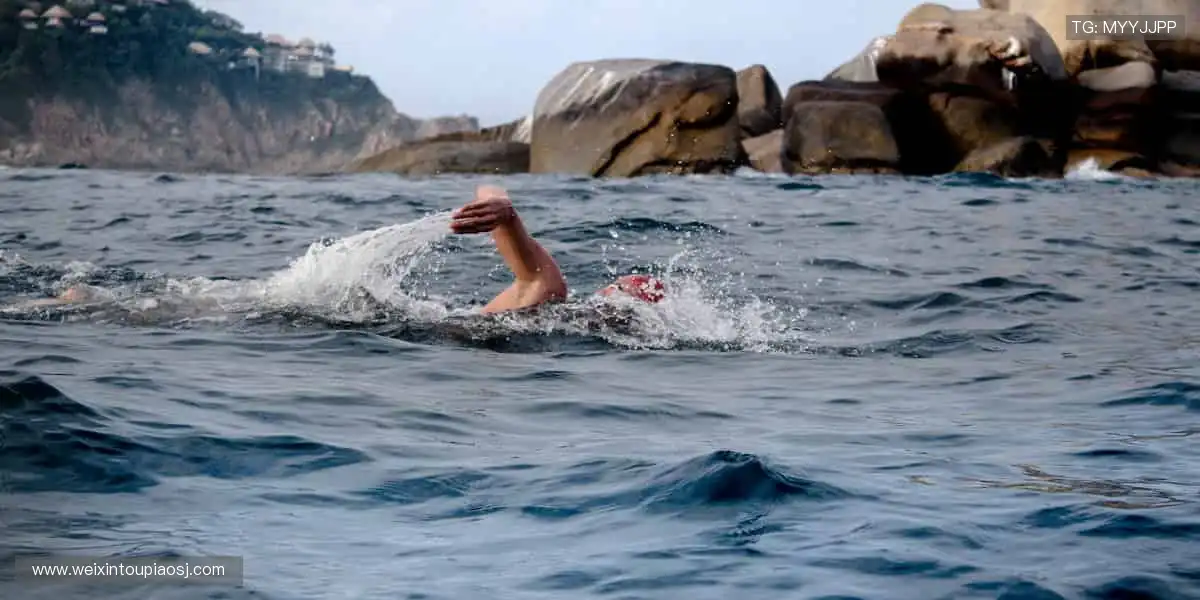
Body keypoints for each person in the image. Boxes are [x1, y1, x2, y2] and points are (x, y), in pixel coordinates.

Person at [450, 185, 666, 314]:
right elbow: (490, 191)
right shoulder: (557, 310)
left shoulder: (552, 295)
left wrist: (503, 211)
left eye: (618, 288)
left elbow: (493, 193)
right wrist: (497, 205)